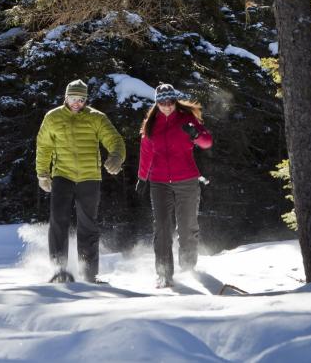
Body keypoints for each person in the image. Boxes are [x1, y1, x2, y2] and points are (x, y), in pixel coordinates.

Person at [36, 79, 126, 283]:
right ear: (66, 98)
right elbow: (43, 147)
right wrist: (42, 173)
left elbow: (115, 140)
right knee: (58, 222)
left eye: (81, 99)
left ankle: (89, 275)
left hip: (89, 178)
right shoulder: (53, 117)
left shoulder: (97, 118)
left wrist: (116, 157)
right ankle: (59, 271)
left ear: (86, 100)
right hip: (62, 176)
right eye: (73, 98)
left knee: (88, 226)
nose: (77, 102)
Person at [136, 83, 213, 288]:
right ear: (157, 103)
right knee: (162, 228)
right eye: (162, 102)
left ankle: (188, 268)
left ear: (175, 101)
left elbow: (207, 142)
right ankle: (163, 274)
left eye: (170, 102)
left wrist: (196, 135)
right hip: (159, 183)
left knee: (187, 227)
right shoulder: (151, 124)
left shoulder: (187, 119)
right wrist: (142, 178)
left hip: (186, 180)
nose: (167, 106)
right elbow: (146, 153)